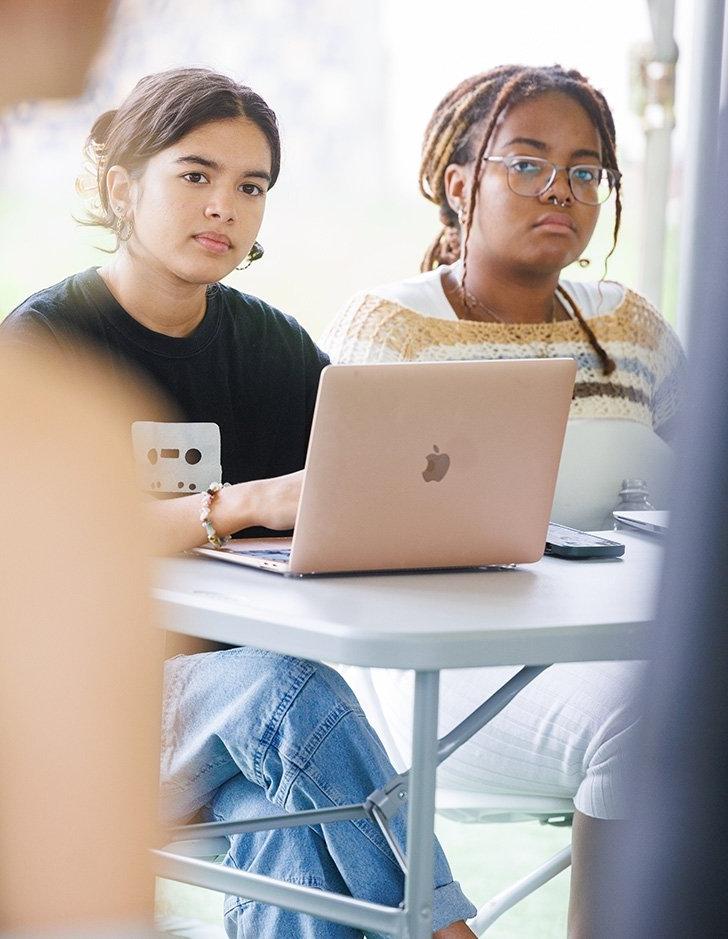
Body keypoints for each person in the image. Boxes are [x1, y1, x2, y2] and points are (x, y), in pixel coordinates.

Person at [1, 68, 476, 939]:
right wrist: (236, 503)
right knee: (287, 690)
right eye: (196, 175)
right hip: (70, 717)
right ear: (122, 186)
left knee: (287, 830)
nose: (224, 205)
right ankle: (446, 931)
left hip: (236, 731)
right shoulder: (42, 347)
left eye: (250, 186)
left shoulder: (271, 345)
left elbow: (359, 487)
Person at [321, 64, 685, 938]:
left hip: (614, 638)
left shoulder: (629, 330)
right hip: (448, 674)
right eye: (526, 163)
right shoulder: (388, 329)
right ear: (460, 184)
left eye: (586, 170)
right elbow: (335, 533)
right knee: (657, 710)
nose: (559, 188)